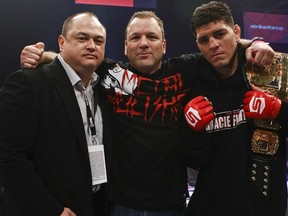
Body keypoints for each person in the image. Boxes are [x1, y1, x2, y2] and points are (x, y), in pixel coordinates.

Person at [19, 10, 274, 216]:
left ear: (163, 45)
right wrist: (41, 56)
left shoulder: (186, 68)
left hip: (171, 205)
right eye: (135, 38)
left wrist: (255, 43)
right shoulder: (111, 74)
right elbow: (71, 60)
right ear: (125, 46)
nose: (143, 44)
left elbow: (221, 45)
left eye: (151, 37)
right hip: (119, 204)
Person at [0, 12, 113, 216]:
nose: (91, 45)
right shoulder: (29, 82)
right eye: (82, 37)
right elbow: (9, 158)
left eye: (98, 40)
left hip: (91, 207)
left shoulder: (103, 87)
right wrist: (51, 210)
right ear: (62, 42)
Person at [182, 1, 287, 216]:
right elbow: (194, 161)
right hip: (209, 206)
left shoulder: (270, 71)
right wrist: (191, 131)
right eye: (204, 40)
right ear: (198, 44)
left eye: (220, 34)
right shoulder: (193, 84)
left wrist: (279, 110)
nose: (213, 44)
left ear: (236, 32)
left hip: (263, 206)